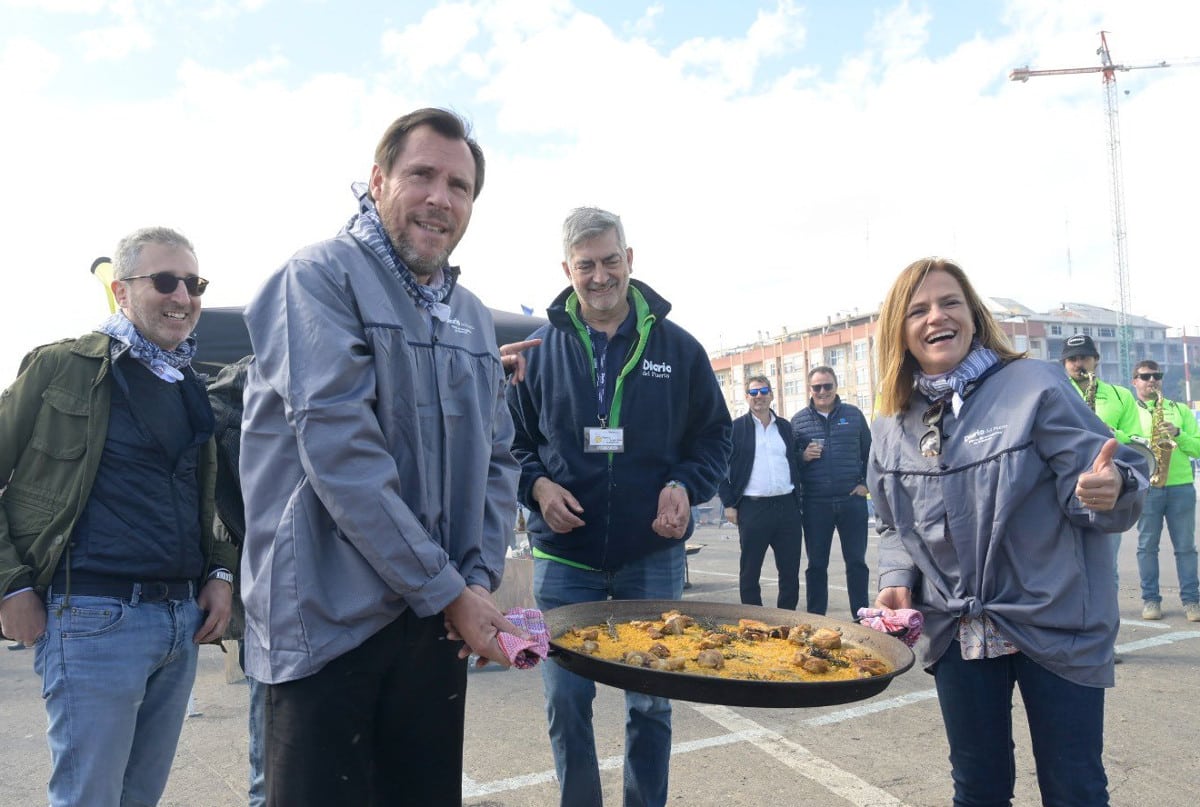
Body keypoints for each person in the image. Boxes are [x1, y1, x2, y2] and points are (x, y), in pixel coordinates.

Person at [238, 108, 522, 806]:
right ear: (378, 180)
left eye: (459, 185)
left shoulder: (472, 316)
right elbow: (341, 454)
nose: (440, 198)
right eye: (421, 175)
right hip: (328, 628)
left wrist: (476, 579)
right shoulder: (319, 278)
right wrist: (451, 591)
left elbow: (500, 458)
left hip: (436, 620)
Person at [869, 257, 1146, 805]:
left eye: (950, 302)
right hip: (958, 631)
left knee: (1075, 789)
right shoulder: (890, 425)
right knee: (977, 789)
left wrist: (1110, 485)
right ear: (899, 331)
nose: (936, 317)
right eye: (918, 309)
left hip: (1053, 619)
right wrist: (897, 574)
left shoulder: (1035, 385)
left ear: (973, 315)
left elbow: (1097, 475)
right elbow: (892, 523)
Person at [0, 226, 236, 807]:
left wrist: (222, 574)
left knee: (139, 799)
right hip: (91, 618)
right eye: (164, 280)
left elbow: (216, 497)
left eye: (193, 282)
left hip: (179, 622)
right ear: (123, 293)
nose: (182, 295)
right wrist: (12, 585)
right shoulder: (63, 367)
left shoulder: (188, 382)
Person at [507, 206, 731, 807]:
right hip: (565, 562)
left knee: (652, 703)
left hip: (651, 558)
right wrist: (537, 488)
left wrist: (685, 484)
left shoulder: (679, 349)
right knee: (566, 703)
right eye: (586, 266)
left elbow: (715, 438)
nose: (600, 276)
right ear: (566, 269)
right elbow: (511, 443)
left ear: (630, 259)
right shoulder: (535, 352)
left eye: (610, 261)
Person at [789, 366, 871, 617]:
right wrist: (802, 457)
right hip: (815, 504)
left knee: (856, 563)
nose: (822, 391)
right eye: (817, 387)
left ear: (836, 387)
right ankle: (816, 619)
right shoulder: (799, 421)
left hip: (851, 500)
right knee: (816, 565)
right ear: (810, 390)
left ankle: (861, 618)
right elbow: (790, 462)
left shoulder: (854, 415)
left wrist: (866, 484)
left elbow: (871, 454)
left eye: (827, 386)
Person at [1060, 334, 1140, 587]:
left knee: (1106, 563)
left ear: (1096, 360)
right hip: (1065, 484)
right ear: (1063, 364)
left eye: (1083, 357)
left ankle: (1105, 620)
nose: (1077, 363)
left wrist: (1114, 434)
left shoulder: (1121, 395)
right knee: (1063, 565)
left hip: (1105, 485)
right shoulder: (1054, 392)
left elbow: (1136, 439)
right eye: (1071, 359)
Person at [718, 375, 804, 609]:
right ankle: (754, 622)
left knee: (789, 572)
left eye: (764, 391)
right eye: (754, 393)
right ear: (746, 397)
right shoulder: (736, 429)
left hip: (787, 507)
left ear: (772, 395)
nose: (759, 397)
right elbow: (718, 467)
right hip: (753, 508)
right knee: (750, 570)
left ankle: (787, 620)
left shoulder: (785, 427)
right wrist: (728, 503)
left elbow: (793, 462)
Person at [1128, 359, 1200, 622]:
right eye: (1145, 376)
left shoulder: (1178, 409)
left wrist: (1178, 433)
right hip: (1147, 486)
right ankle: (1150, 600)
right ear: (1134, 381)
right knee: (1147, 546)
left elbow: (1198, 448)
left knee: (1186, 548)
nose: (1152, 381)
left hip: (1180, 486)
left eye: (1156, 376)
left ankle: (1192, 601)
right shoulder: (1129, 411)